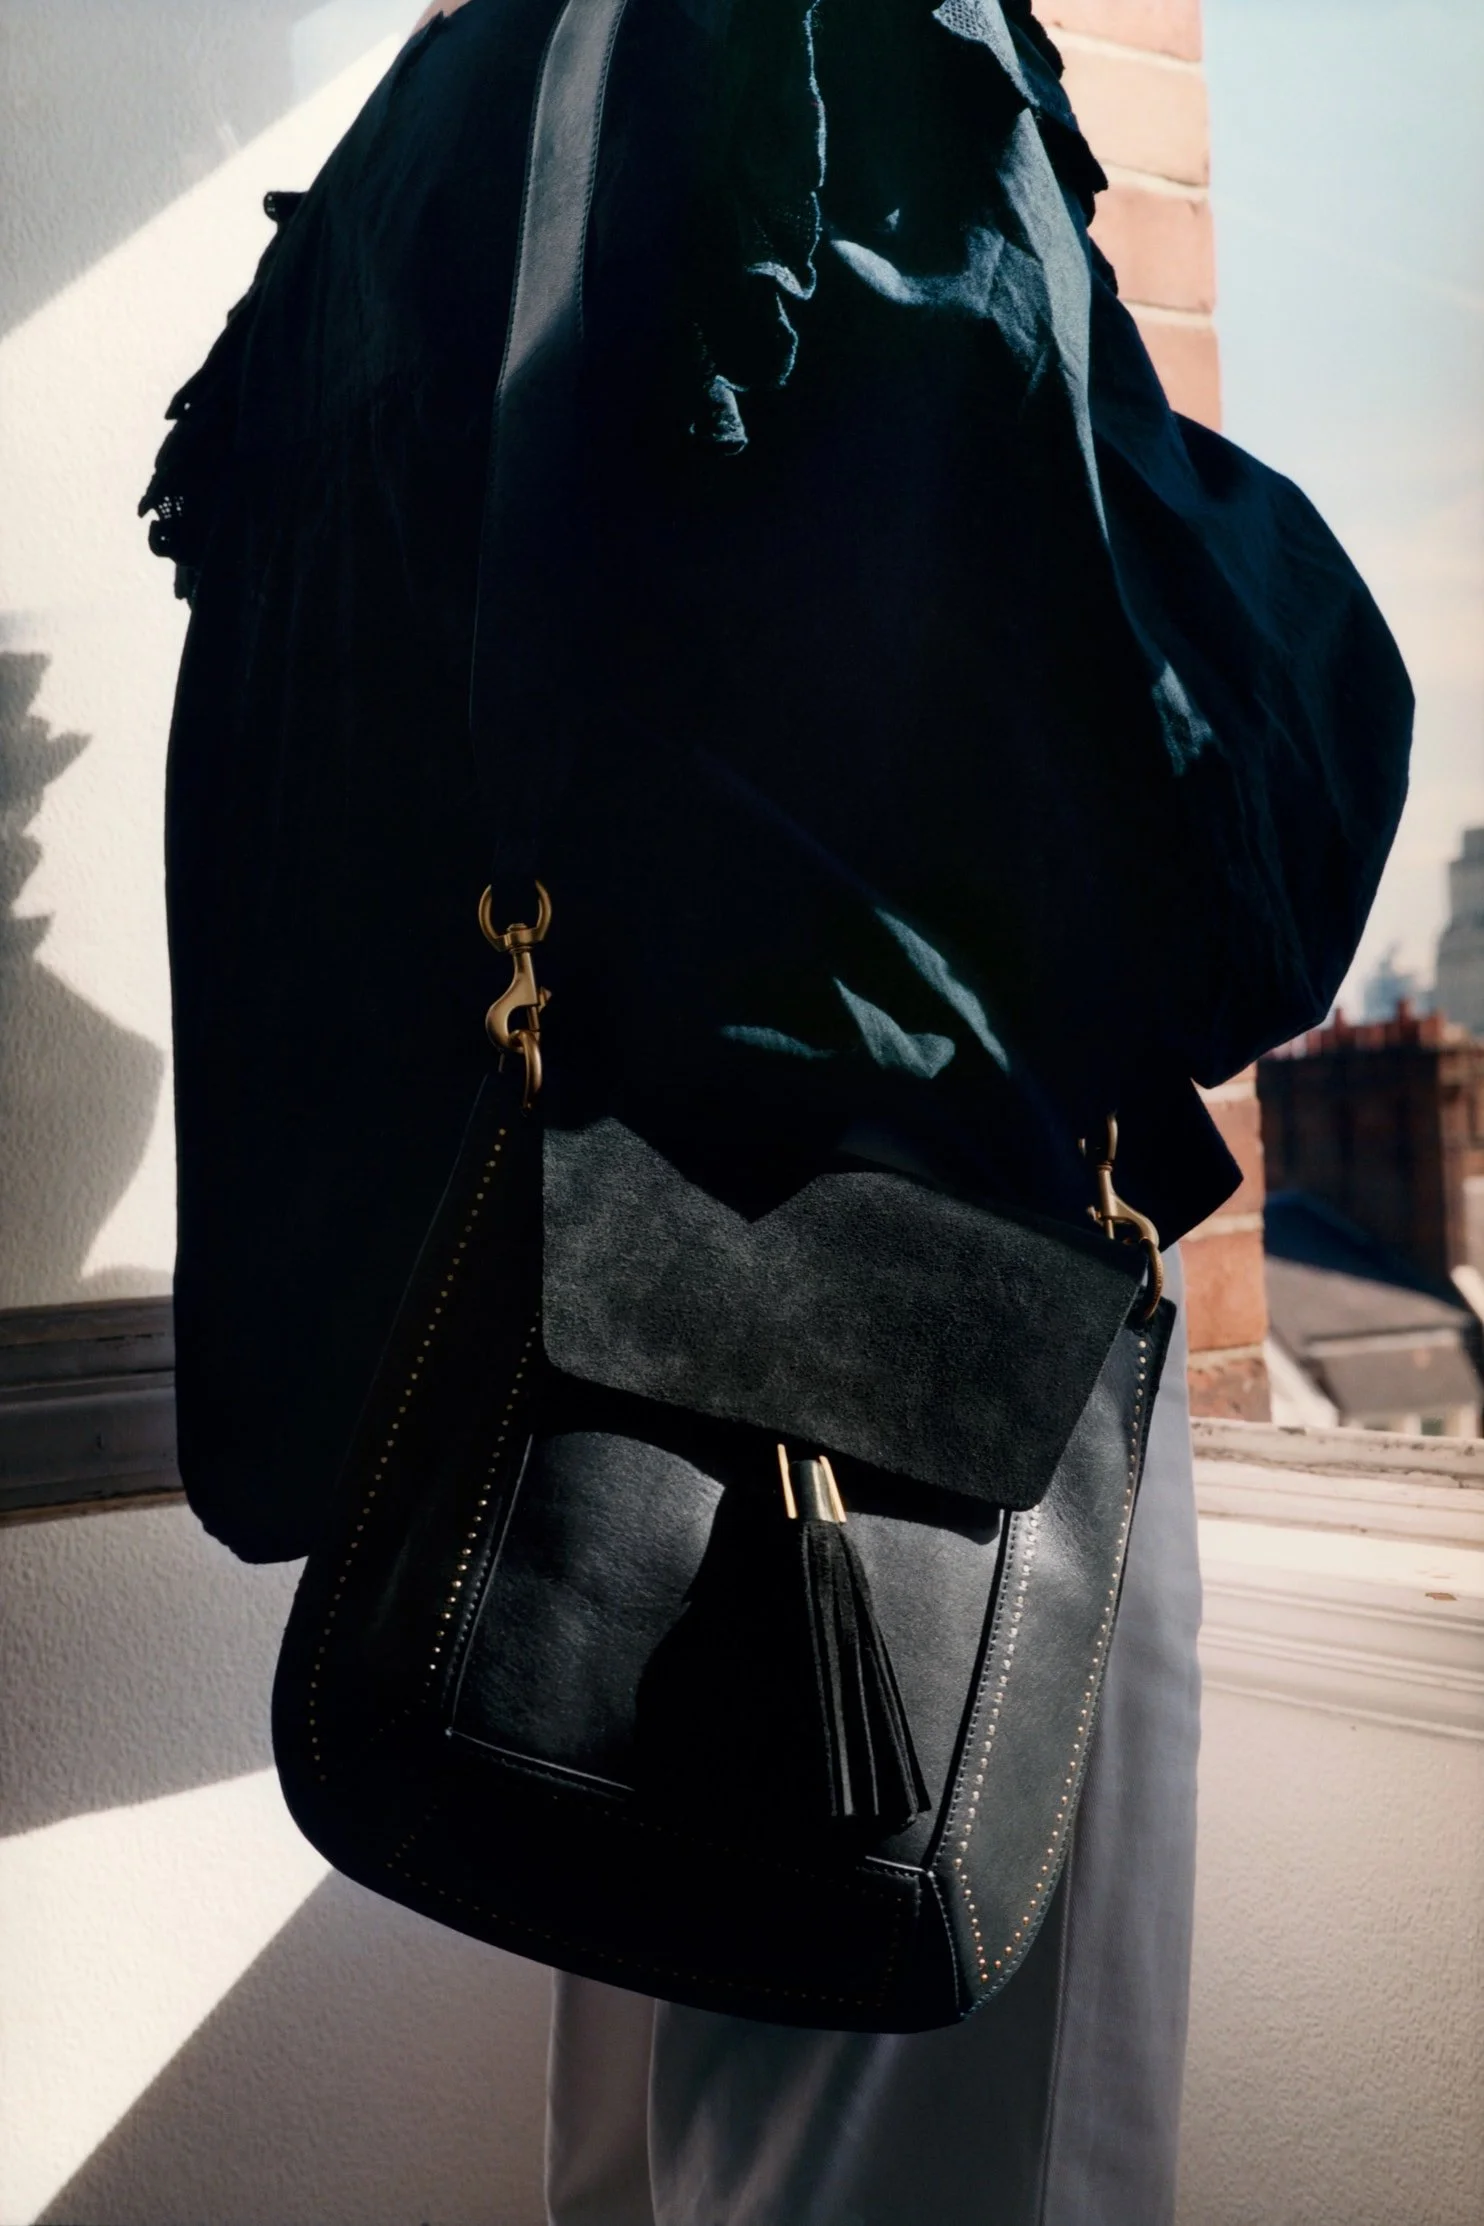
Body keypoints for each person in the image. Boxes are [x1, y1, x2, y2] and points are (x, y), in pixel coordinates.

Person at [142, 1, 1412, 2218]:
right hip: (923, 1366)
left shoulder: (442, 118)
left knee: (649, 2150)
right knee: (950, 2136)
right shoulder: (844, 59)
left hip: (566, 1383)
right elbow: (1180, 764)